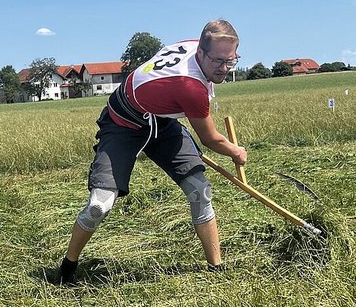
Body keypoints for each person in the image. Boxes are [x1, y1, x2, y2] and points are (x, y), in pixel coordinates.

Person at [49, 19, 248, 284]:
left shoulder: (198, 47)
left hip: (161, 121)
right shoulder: (190, 87)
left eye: (230, 61)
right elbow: (210, 139)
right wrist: (235, 151)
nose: (224, 68)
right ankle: (67, 268)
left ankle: (216, 270)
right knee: (99, 206)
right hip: (122, 122)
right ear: (200, 52)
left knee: (200, 190)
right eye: (218, 61)